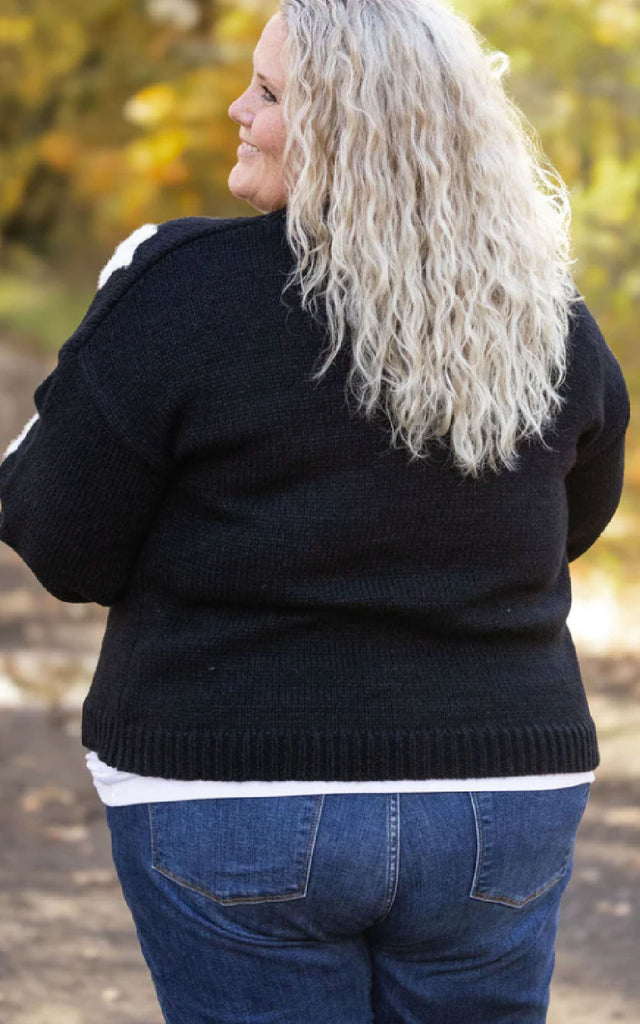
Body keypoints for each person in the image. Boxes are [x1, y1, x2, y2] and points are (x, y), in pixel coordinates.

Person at [0, 1, 630, 1021]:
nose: (235, 110)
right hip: (498, 795)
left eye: (269, 93)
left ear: (351, 127)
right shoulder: (541, 311)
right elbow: (567, 520)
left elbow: (64, 540)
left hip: (234, 790)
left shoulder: (179, 283)